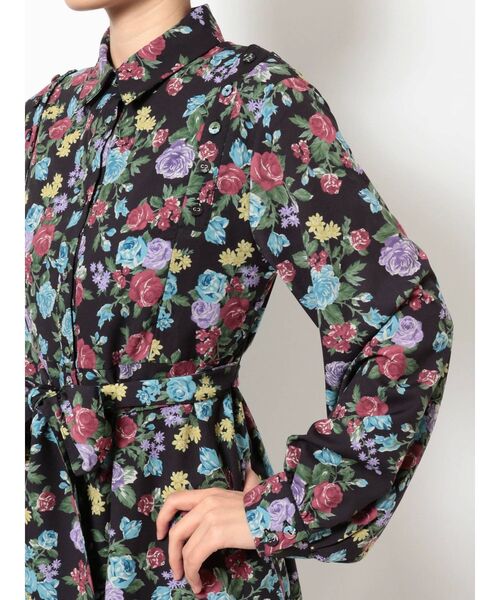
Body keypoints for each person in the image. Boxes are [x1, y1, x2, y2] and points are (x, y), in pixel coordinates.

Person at [24, 1, 454, 598]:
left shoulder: (252, 103)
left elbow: (407, 319)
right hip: (42, 540)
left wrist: (286, 506)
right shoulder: (48, 120)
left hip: (179, 546)